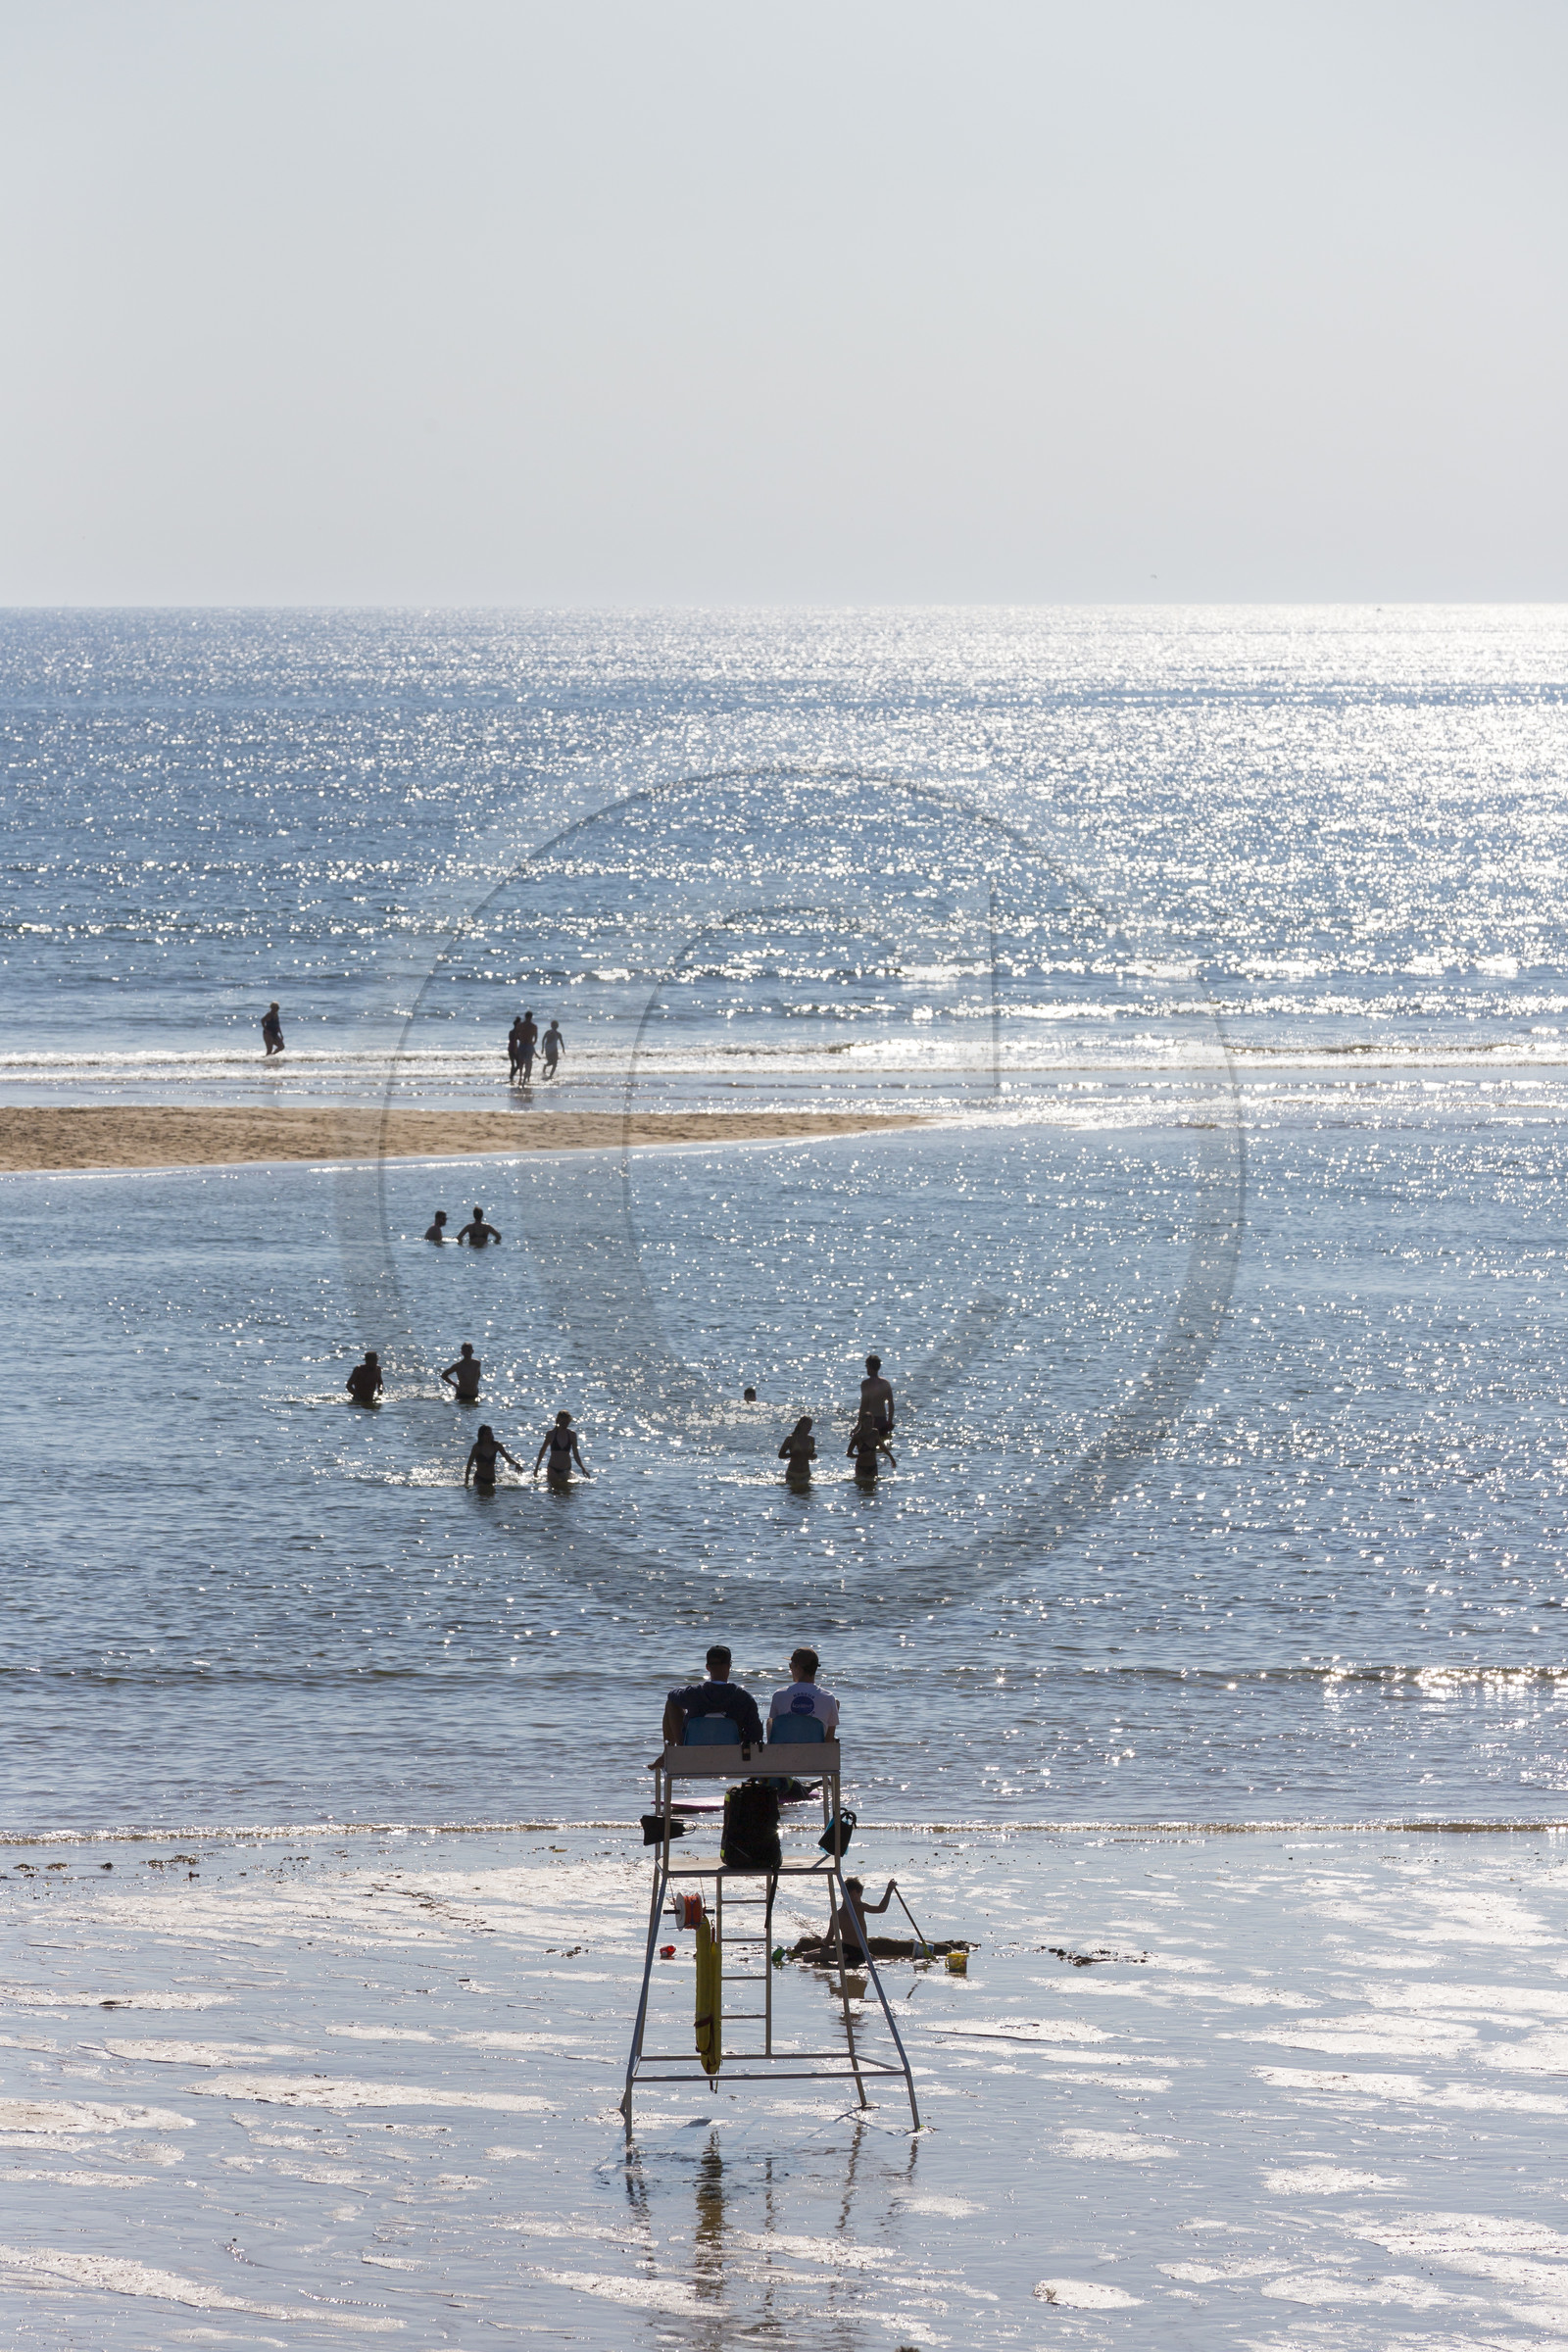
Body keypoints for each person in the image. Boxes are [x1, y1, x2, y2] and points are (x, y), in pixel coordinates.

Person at [662, 1644, 765, 1746]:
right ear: (729, 1666)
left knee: (671, 1703)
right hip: (732, 1752)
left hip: (693, 1749)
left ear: (707, 1667)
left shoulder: (693, 1693)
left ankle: (673, 1752)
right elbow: (756, 1734)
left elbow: (671, 1695)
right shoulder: (743, 1697)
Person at [768, 1646, 839, 1737]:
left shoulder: (779, 1695)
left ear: (797, 1667)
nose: (790, 1670)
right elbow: (829, 1740)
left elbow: (774, 1732)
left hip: (785, 1749)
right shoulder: (829, 1698)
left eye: (790, 1666)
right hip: (817, 1749)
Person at [828, 1876, 898, 1966]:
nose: (860, 1899)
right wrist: (889, 1889)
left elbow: (827, 1941)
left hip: (850, 1949)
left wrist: (820, 1940)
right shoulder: (858, 1906)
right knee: (812, 1954)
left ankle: (844, 1956)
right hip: (856, 1950)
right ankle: (845, 1956)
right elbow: (881, 1908)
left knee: (808, 1957)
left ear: (842, 1893)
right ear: (855, 1893)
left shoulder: (838, 1914)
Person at [534, 1409, 589, 1481]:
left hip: (566, 1468)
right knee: (553, 1489)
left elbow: (576, 1455)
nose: (565, 1424)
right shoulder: (551, 1434)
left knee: (566, 1490)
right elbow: (542, 1451)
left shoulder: (572, 1434)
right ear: (558, 1421)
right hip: (552, 1468)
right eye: (563, 1422)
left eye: (567, 1422)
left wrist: (583, 1468)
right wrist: (537, 1468)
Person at [466, 1424, 522, 1490]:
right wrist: (466, 1482)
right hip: (479, 1479)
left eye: (490, 1433)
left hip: (491, 1479)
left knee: (491, 1498)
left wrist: (516, 1464)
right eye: (486, 1434)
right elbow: (469, 1464)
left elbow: (508, 1458)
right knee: (481, 1498)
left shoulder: (496, 1445)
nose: (489, 1436)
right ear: (481, 1435)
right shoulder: (477, 1447)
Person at [849, 1415, 896, 1482]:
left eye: (870, 1423)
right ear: (862, 1422)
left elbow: (882, 1446)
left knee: (873, 1489)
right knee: (861, 1488)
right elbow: (849, 1453)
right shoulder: (857, 1436)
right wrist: (859, 1456)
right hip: (861, 1467)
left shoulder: (875, 1433)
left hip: (873, 1466)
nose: (869, 1425)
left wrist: (891, 1458)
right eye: (867, 1423)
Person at [859, 1354, 895, 1436]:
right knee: (882, 1444)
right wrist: (889, 1421)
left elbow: (864, 1405)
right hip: (882, 1420)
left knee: (869, 1446)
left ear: (869, 1367)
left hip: (869, 1421)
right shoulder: (885, 1383)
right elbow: (891, 1404)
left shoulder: (866, 1384)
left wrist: (859, 1424)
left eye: (866, 1366)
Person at [778, 1417, 817, 1484]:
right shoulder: (790, 1439)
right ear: (801, 1425)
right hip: (792, 1473)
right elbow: (780, 1455)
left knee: (806, 1493)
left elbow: (811, 1456)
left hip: (806, 1473)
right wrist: (792, 1454)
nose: (809, 1428)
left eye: (810, 1426)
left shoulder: (811, 1439)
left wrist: (814, 1456)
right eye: (807, 1425)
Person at [518, 1010, 538, 1084]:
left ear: (525, 1016)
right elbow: (535, 1038)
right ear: (531, 1017)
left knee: (521, 1063)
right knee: (528, 1063)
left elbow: (517, 1036)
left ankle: (520, 1077)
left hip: (522, 1044)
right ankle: (526, 1078)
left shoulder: (521, 1025)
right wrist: (532, 1044)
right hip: (529, 1045)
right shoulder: (534, 1026)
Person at [507, 1017, 527, 1082]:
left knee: (513, 1064)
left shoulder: (511, 1032)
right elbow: (519, 1040)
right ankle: (511, 1075)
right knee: (518, 1064)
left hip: (510, 1048)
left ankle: (511, 1076)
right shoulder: (517, 1032)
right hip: (514, 1048)